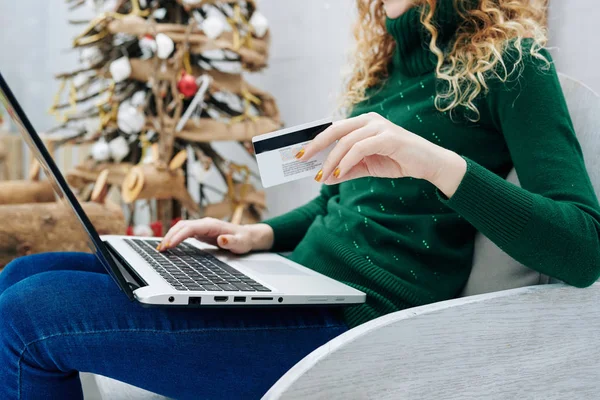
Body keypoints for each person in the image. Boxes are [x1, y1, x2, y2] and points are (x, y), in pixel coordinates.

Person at [2, 0, 599, 398]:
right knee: (26, 271)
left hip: (353, 325)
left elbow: (582, 247)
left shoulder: (514, 63)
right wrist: (258, 236)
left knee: (26, 314)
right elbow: (338, 205)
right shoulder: (384, 70)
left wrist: (434, 162)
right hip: (295, 282)